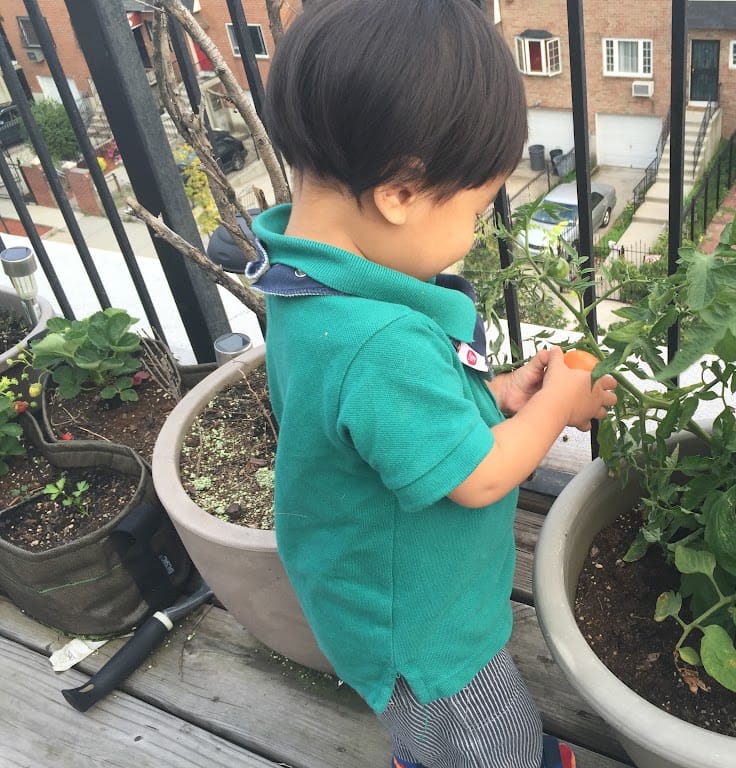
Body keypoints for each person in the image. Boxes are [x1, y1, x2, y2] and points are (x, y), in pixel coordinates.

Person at [250, 1, 617, 766]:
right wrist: (556, 404)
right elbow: (479, 478)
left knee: (429, 730)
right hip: (425, 629)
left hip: (366, 593)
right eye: (477, 208)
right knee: (488, 737)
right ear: (401, 193)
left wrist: (499, 395)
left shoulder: (309, 282)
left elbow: (384, 421)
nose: (475, 232)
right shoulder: (380, 341)